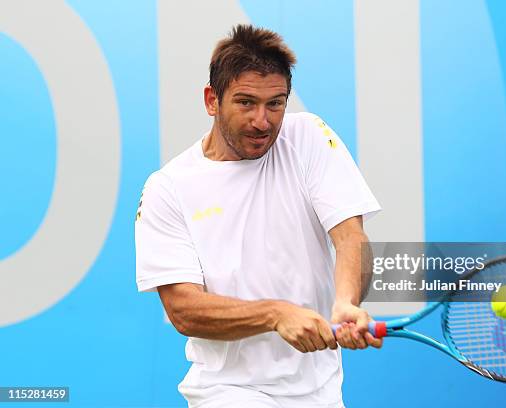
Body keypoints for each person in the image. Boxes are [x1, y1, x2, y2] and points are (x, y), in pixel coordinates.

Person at [135, 24, 382, 408]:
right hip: (227, 393)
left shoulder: (309, 136)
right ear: (211, 100)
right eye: (246, 102)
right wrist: (275, 314)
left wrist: (346, 302)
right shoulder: (167, 188)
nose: (263, 121)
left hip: (322, 390)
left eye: (276, 103)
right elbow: (183, 308)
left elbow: (351, 237)